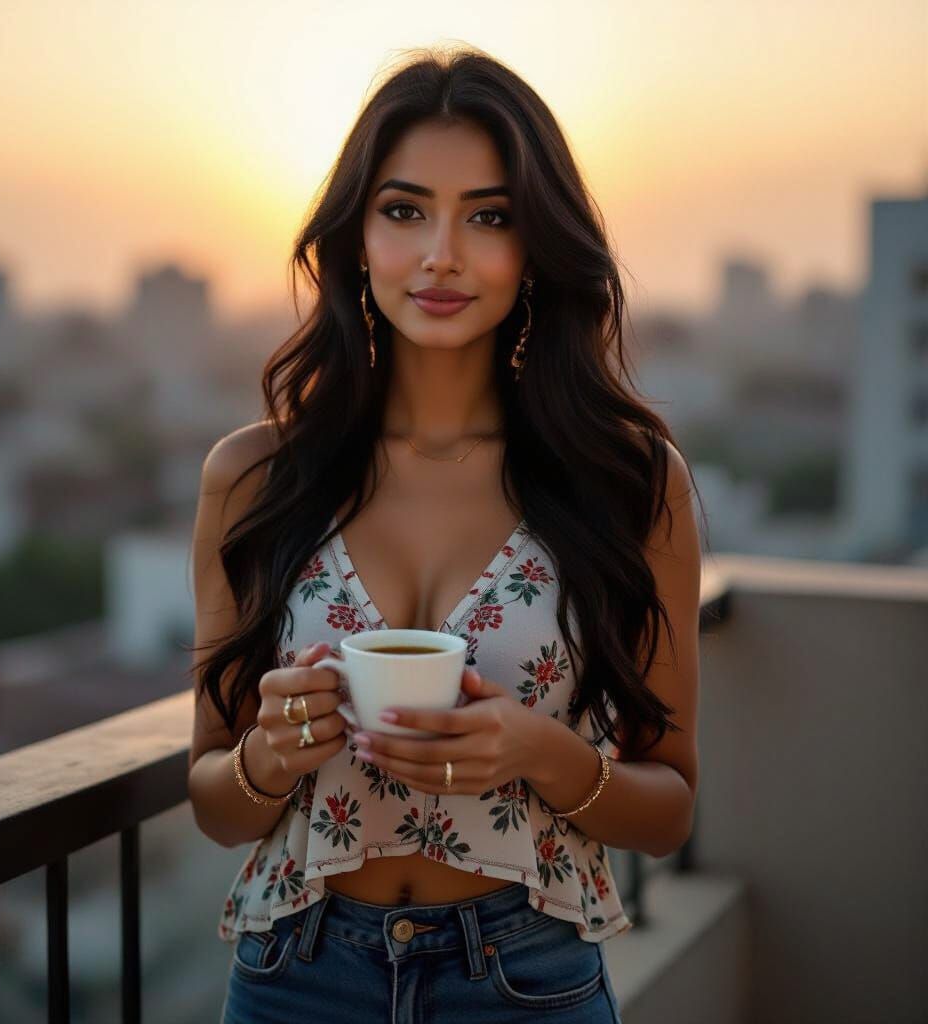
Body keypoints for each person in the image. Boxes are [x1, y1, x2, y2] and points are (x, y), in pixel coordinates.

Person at [188, 45, 705, 1024]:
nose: (441, 254)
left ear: (536, 246)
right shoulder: (254, 476)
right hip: (295, 975)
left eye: (489, 216)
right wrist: (270, 755)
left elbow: (669, 806)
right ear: (355, 238)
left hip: (525, 978)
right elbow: (216, 804)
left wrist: (540, 753)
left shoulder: (629, 482)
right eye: (404, 210)